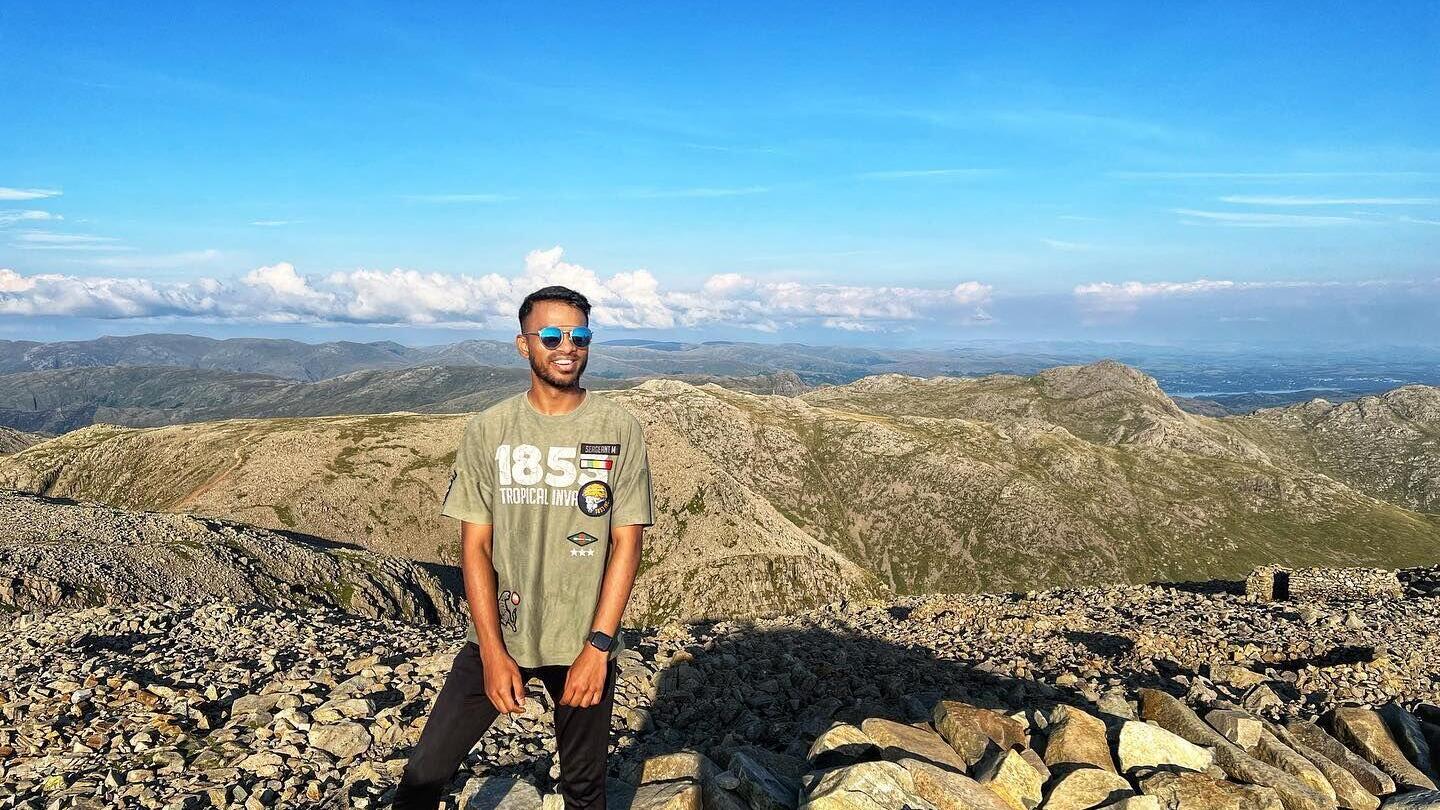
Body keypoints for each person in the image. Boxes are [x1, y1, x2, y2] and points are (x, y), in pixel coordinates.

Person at [390, 285, 653, 809]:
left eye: (579, 335)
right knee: (423, 776)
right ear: (523, 344)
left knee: (584, 790)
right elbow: (476, 549)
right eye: (552, 334)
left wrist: (598, 649)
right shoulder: (490, 428)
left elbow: (626, 541)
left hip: (582, 640)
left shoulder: (618, 427)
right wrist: (491, 652)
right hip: (501, 633)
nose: (567, 346)